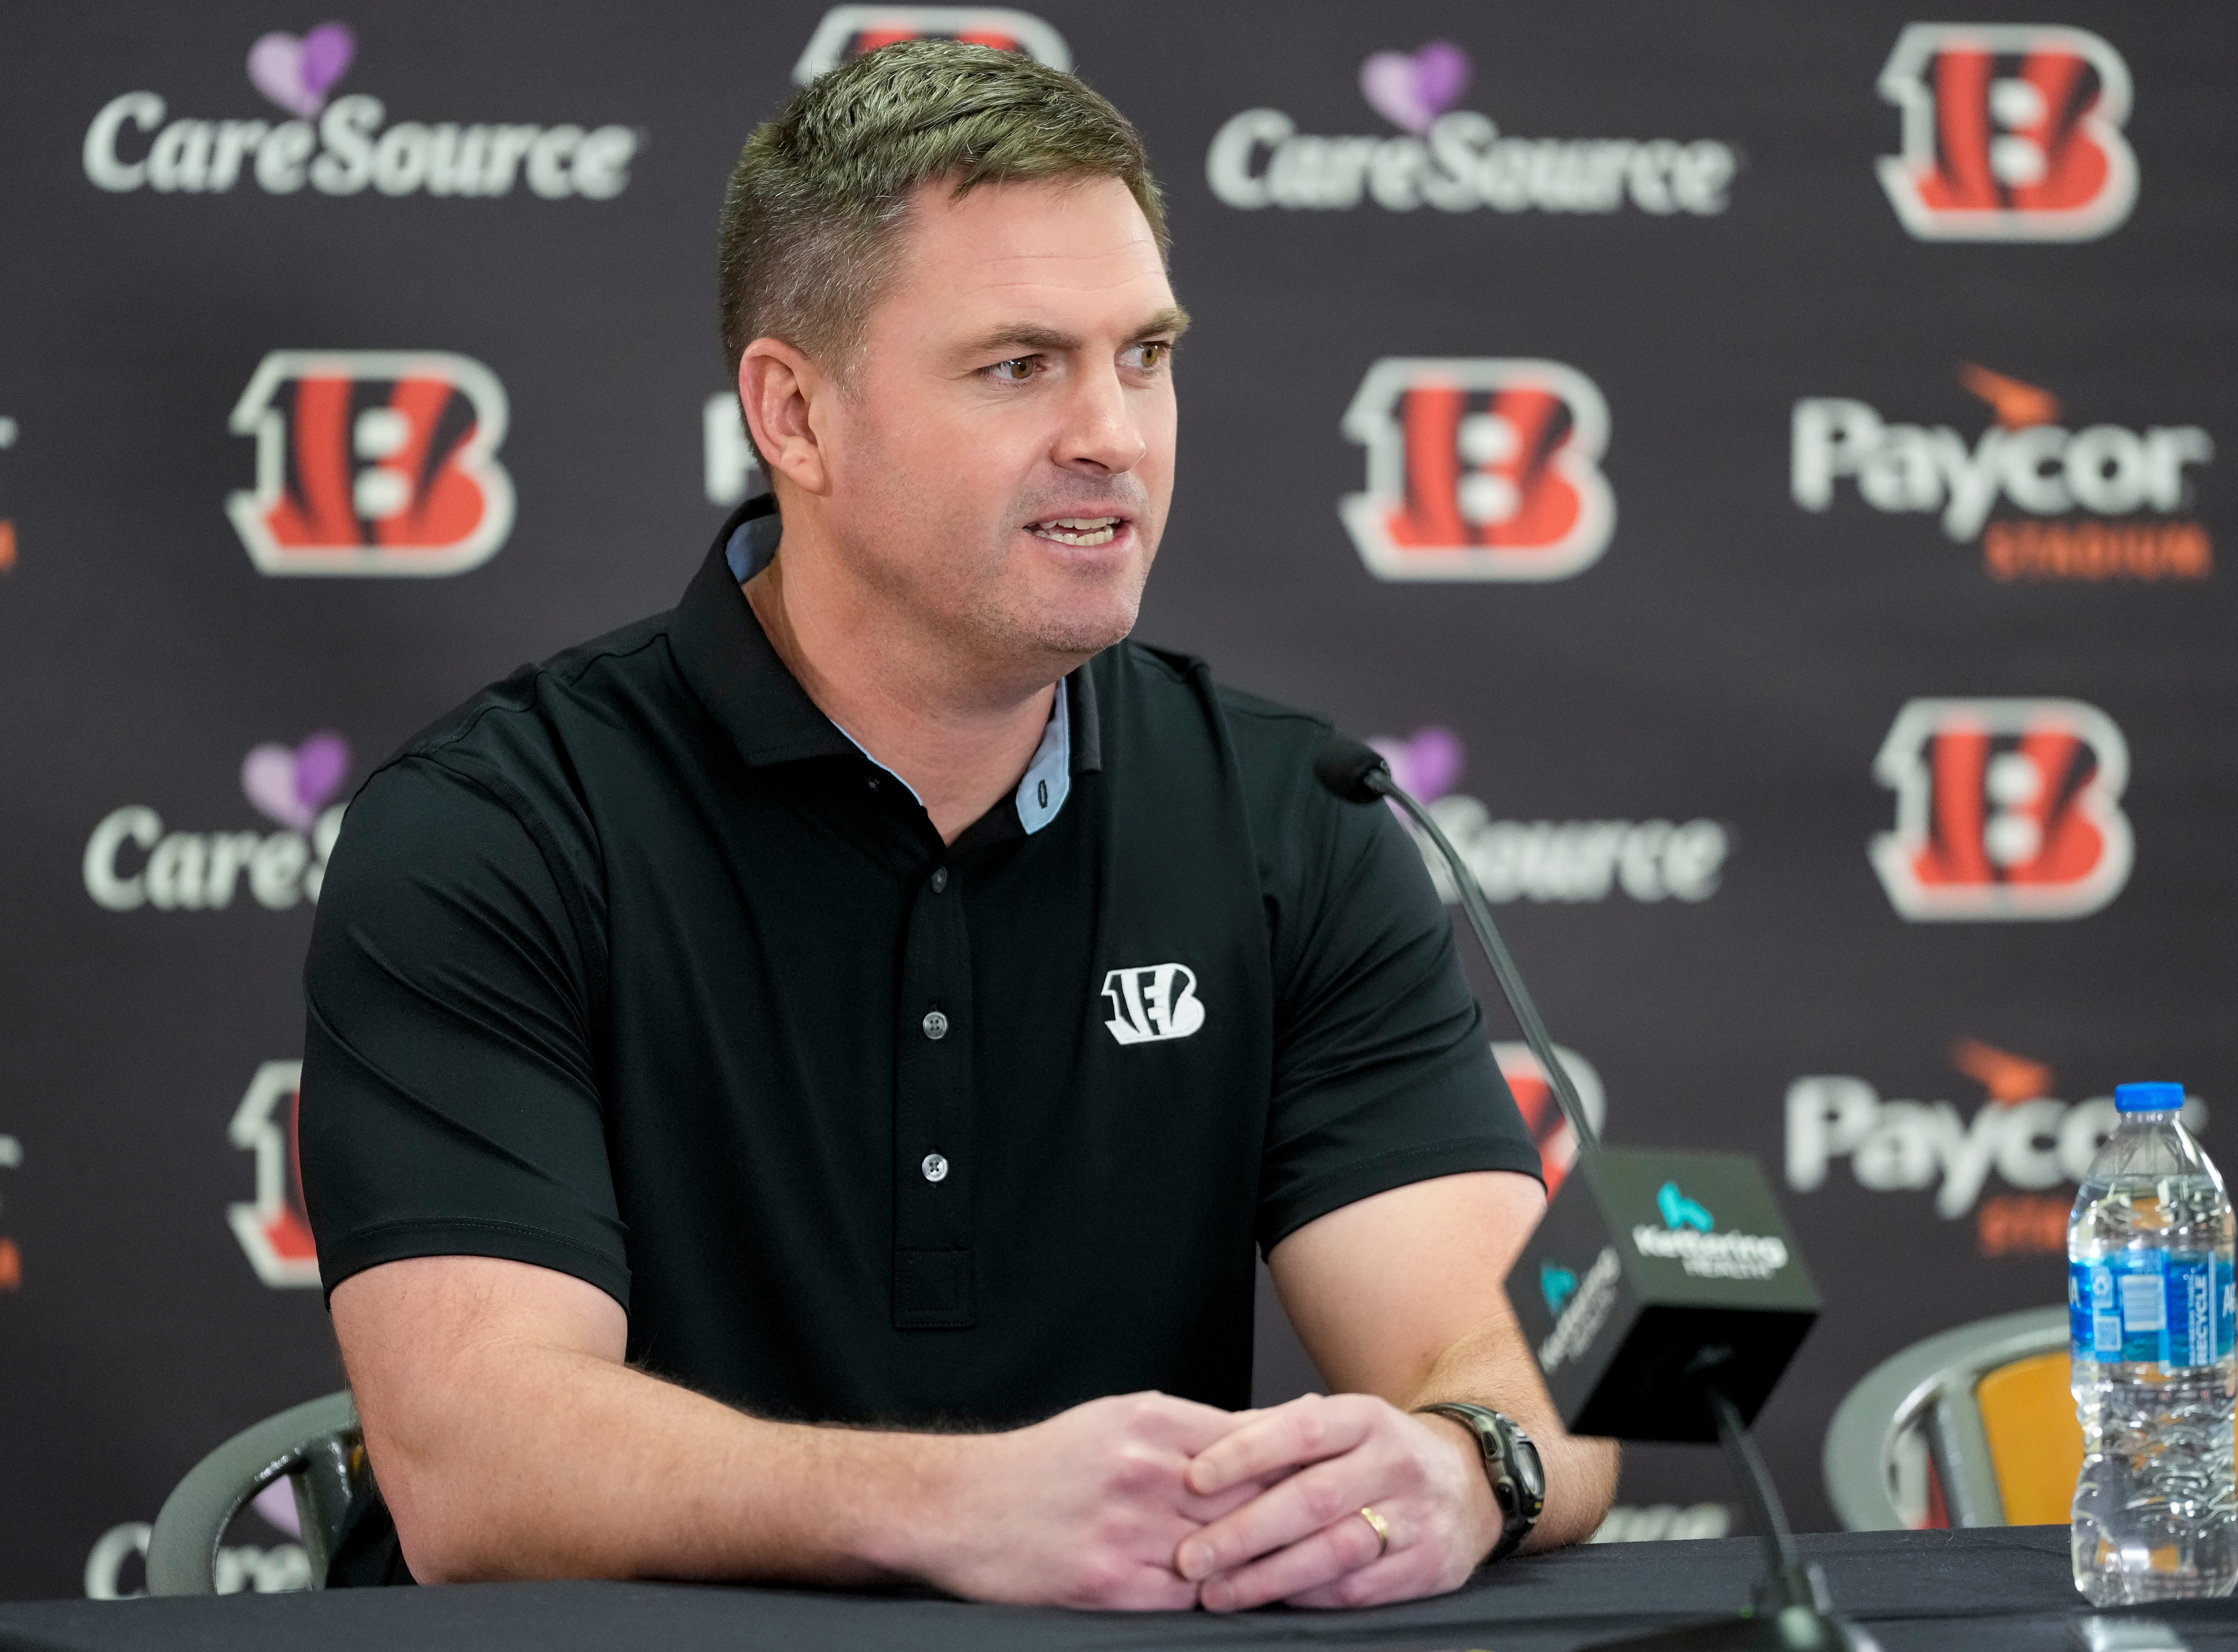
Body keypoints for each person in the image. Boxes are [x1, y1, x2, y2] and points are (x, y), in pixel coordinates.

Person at [301, 40, 1615, 1612]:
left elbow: (1524, 1361)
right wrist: (955, 1507)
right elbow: (476, 1461)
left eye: (1144, 355)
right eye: (1018, 365)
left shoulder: (1296, 816)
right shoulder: (498, 827)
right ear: (794, 414)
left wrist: (1468, 1463)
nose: (1113, 435)